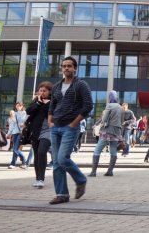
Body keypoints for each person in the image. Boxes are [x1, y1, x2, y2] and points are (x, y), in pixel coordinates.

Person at [48, 56, 93, 205]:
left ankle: (81, 180)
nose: (66, 68)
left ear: (74, 68)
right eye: (64, 66)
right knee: (56, 162)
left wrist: (74, 123)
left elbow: (88, 106)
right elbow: (52, 105)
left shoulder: (81, 85)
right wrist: (50, 120)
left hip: (70, 127)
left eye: (69, 66)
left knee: (62, 158)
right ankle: (61, 194)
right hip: (56, 127)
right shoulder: (56, 86)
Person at [88, 90, 123, 177]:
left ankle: (93, 172)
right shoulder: (120, 107)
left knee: (97, 150)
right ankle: (110, 171)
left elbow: (104, 119)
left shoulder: (109, 106)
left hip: (107, 131)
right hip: (116, 132)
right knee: (113, 151)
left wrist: (103, 123)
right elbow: (122, 121)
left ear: (110, 97)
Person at [26, 81, 53, 188]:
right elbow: (28, 111)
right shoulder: (36, 101)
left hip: (48, 131)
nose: (42, 93)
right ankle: (38, 178)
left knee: (42, 152)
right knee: (37, 155)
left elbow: (53, 113)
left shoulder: (52, 102)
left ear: (49, 92)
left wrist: (45, 103)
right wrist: (38, 103)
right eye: (40, 90)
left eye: (44, 91)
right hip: (36, 131)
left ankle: (41, 178)